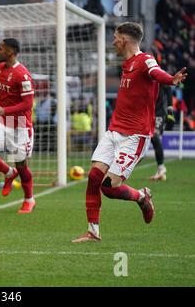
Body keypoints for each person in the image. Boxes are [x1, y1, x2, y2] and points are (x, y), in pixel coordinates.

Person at [72, 22, 187, 243]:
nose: (113, 41)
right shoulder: (127, 64)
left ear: (124, 39)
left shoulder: (145, 60)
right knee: (94, 177)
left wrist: (170, 79)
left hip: (134, 136)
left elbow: (156, 72)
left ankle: (141, 196)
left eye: (115, 37)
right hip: (114, 131)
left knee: (108, 187)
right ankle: (93, 231)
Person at [0, 38, 35, 214]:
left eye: (1, 48)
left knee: (22, 166)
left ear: (10, 51)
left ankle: (29, 199)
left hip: (20, 126)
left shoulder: (23, 75)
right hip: (2, 122)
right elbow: (4, 96)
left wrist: (5, 110)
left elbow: (28, 104)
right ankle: (8, 173)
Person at [150, 84, 174, 181]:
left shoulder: (159, 75)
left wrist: (170, 110)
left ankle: (161, 168)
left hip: (159, 113)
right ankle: (161, 170)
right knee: (147, 138)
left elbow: (168, 89)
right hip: (147, 113)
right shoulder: (144, 76)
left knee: (155, 136)